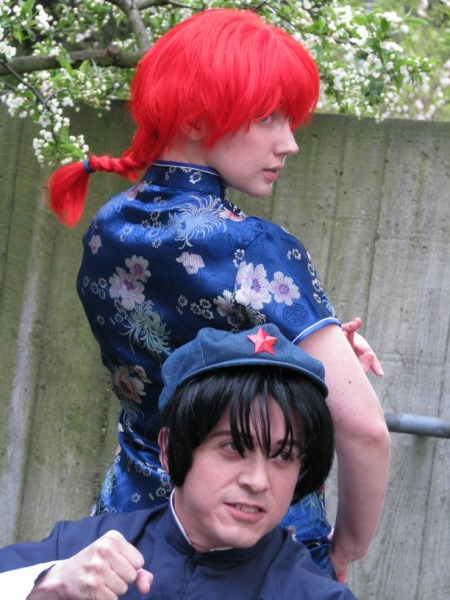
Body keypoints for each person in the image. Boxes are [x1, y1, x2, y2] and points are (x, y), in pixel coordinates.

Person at [46, 8, 390, 582]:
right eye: (267, 117)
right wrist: (347, 546)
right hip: (255, 548)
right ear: (196, 116)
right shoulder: (256, 248)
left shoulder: (108, 227)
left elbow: (183, 350)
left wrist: (299, 353)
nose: (289, 143)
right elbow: (365, 430)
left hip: (126, 537)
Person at [0, 325, 357, 600]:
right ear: (170, 448)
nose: (258, 481)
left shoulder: (316, 595)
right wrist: (44, 589)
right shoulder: (78, 550)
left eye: (283, 454)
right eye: (233, 446)